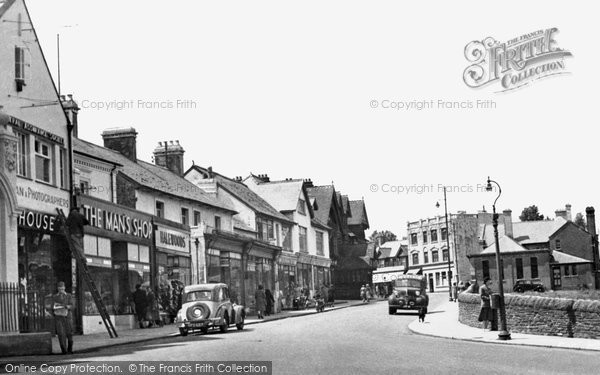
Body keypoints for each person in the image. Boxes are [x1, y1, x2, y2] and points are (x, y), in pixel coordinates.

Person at [47, 281, 74, 354]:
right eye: (59, 289)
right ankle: (64, 351)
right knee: (61, 334)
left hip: (68, 317)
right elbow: (52, 306)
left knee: (69, 334)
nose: (61, 291)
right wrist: (54, 308)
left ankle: (70, 349)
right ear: (57, 289)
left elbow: (72, 305)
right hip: (59, 317)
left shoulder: (69, 296)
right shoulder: (55, 297)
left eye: (62, 289)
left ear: (64, 288)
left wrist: (67, 306)